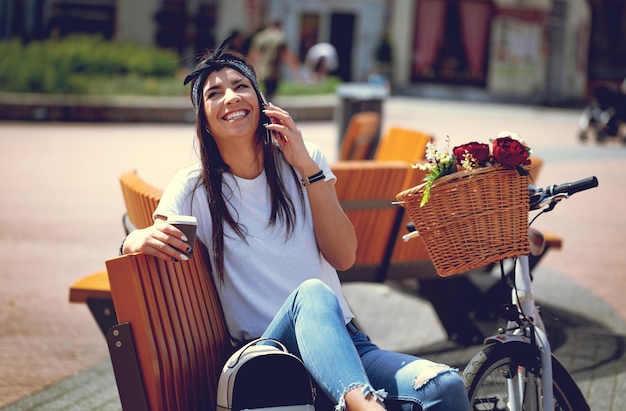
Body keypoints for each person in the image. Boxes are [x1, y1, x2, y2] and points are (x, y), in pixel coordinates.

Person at [120, 36, 470, 411]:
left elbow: (344, 255)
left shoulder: (305, 162)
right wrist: (133, 241)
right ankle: (364, 407)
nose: (231, 98)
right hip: (269, 357)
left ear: (262, 104)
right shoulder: (194, 187)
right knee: (313, 294)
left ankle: (359, 402)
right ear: (203, 120)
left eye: (241, 87)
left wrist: (308, 168)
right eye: (214, 94)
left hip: (344, 344)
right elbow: (159, 238)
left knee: (445, 386)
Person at [247, 20, 301, 101]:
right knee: (271, 97)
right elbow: (285, 55)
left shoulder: (260, 37)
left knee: (261, 96)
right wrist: (296, 72)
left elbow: (253, 55)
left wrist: (249, 70)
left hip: (260, 72)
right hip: (273, 73)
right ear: (279, 26)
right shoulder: (279, 37)